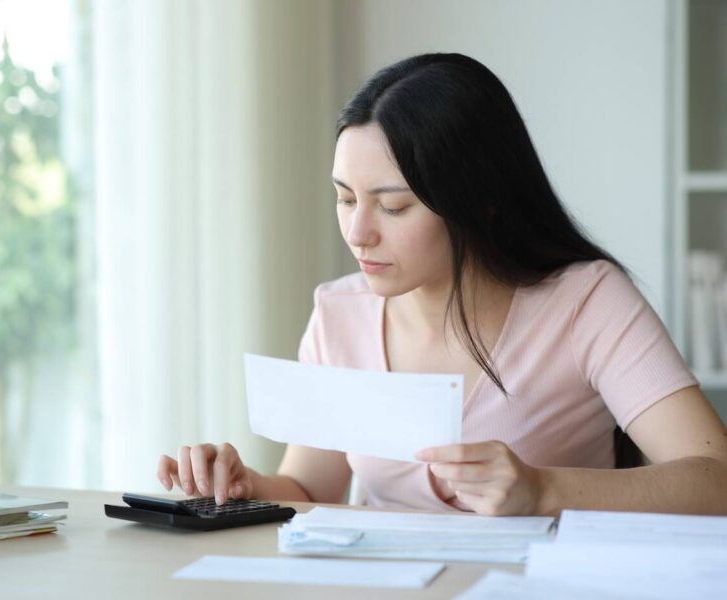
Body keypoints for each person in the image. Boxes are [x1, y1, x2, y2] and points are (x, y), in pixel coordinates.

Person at [157, 53, 727, 516]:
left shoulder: (587, 303)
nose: (358, 234)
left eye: (394, 207)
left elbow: (716, 480)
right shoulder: (340, 314)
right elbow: (310, 491)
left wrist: (545, 491)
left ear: (479, 200)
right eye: (346, 198)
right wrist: (241, 485)